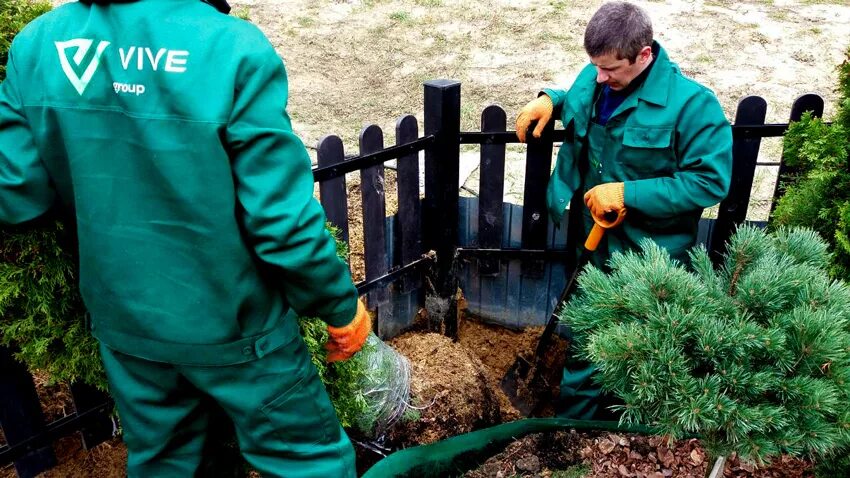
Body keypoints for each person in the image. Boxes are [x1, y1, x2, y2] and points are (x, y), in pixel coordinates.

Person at [0, 0, 370, 476]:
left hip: (129, 329)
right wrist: (338, 305)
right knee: (307, 462)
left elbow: (15, 195)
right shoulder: (232, 47)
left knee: (166, 465)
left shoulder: (37, 44)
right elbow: (281, 223)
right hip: (240, 330)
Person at [515, 1, 732, 420]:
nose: (600, 76)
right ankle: (577, 427)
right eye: (594, 66)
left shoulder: (692, 106)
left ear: (644, 54)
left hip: (647, 256)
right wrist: (551, 99)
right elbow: (582, 103)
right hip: (590, 242)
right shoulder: (598, 78)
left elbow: (710, 181)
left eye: (610, 68)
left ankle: (595, 431)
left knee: (627, 353)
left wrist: (629, 194)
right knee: (587, 336)